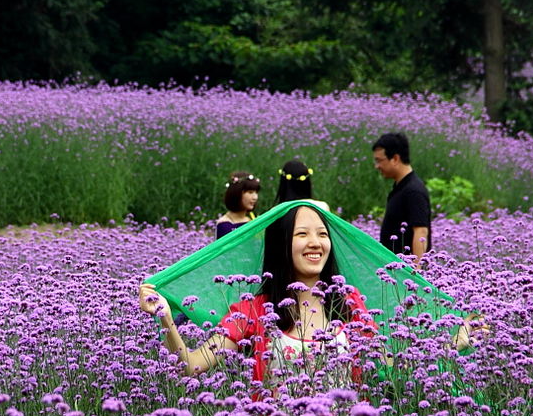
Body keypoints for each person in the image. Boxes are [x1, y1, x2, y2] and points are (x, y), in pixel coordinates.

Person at [140, 203, 377, 388]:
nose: (315, 243)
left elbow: (386, 363)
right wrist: (165, 317)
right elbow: (190, 367)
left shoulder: (348, 302)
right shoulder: (255, 310)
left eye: (323, 234)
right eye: (302, 234)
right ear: (281, 244)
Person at [372, 132, 431, 266]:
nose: (377, 166)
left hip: (406, 276)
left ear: (395, 159)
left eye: (379, 160)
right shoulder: (400, 188)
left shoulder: (413, 191)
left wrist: (417, 271)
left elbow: (421, 231)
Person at [215, 171, 260, 238]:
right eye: (250, 192)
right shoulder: (225, 225)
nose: (255, 197)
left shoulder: (252, 220)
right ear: (236, 193)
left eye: (256, 192)